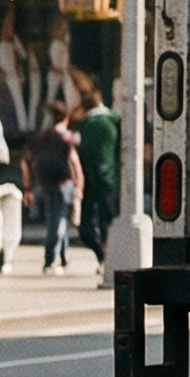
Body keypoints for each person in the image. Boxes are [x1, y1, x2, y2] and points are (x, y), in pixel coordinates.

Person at [26, 104, 82, 272]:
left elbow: (27, 159)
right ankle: (50, 260)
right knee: (57, 222)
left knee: (56, 218)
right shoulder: (65, 137)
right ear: (65, 118)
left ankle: (63, 257)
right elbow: (74, 162)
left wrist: (29, 185)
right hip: (63, 182)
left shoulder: (42, 137)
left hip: (45, 182)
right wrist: (79, 183)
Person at [74, 82, 121, 268]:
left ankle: (102, 255)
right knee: (107, 218)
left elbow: (80, 152)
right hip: (112, 178)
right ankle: (107, 256)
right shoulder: (115, 119)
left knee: (87, 223)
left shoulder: (86, 124)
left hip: (88, 178)